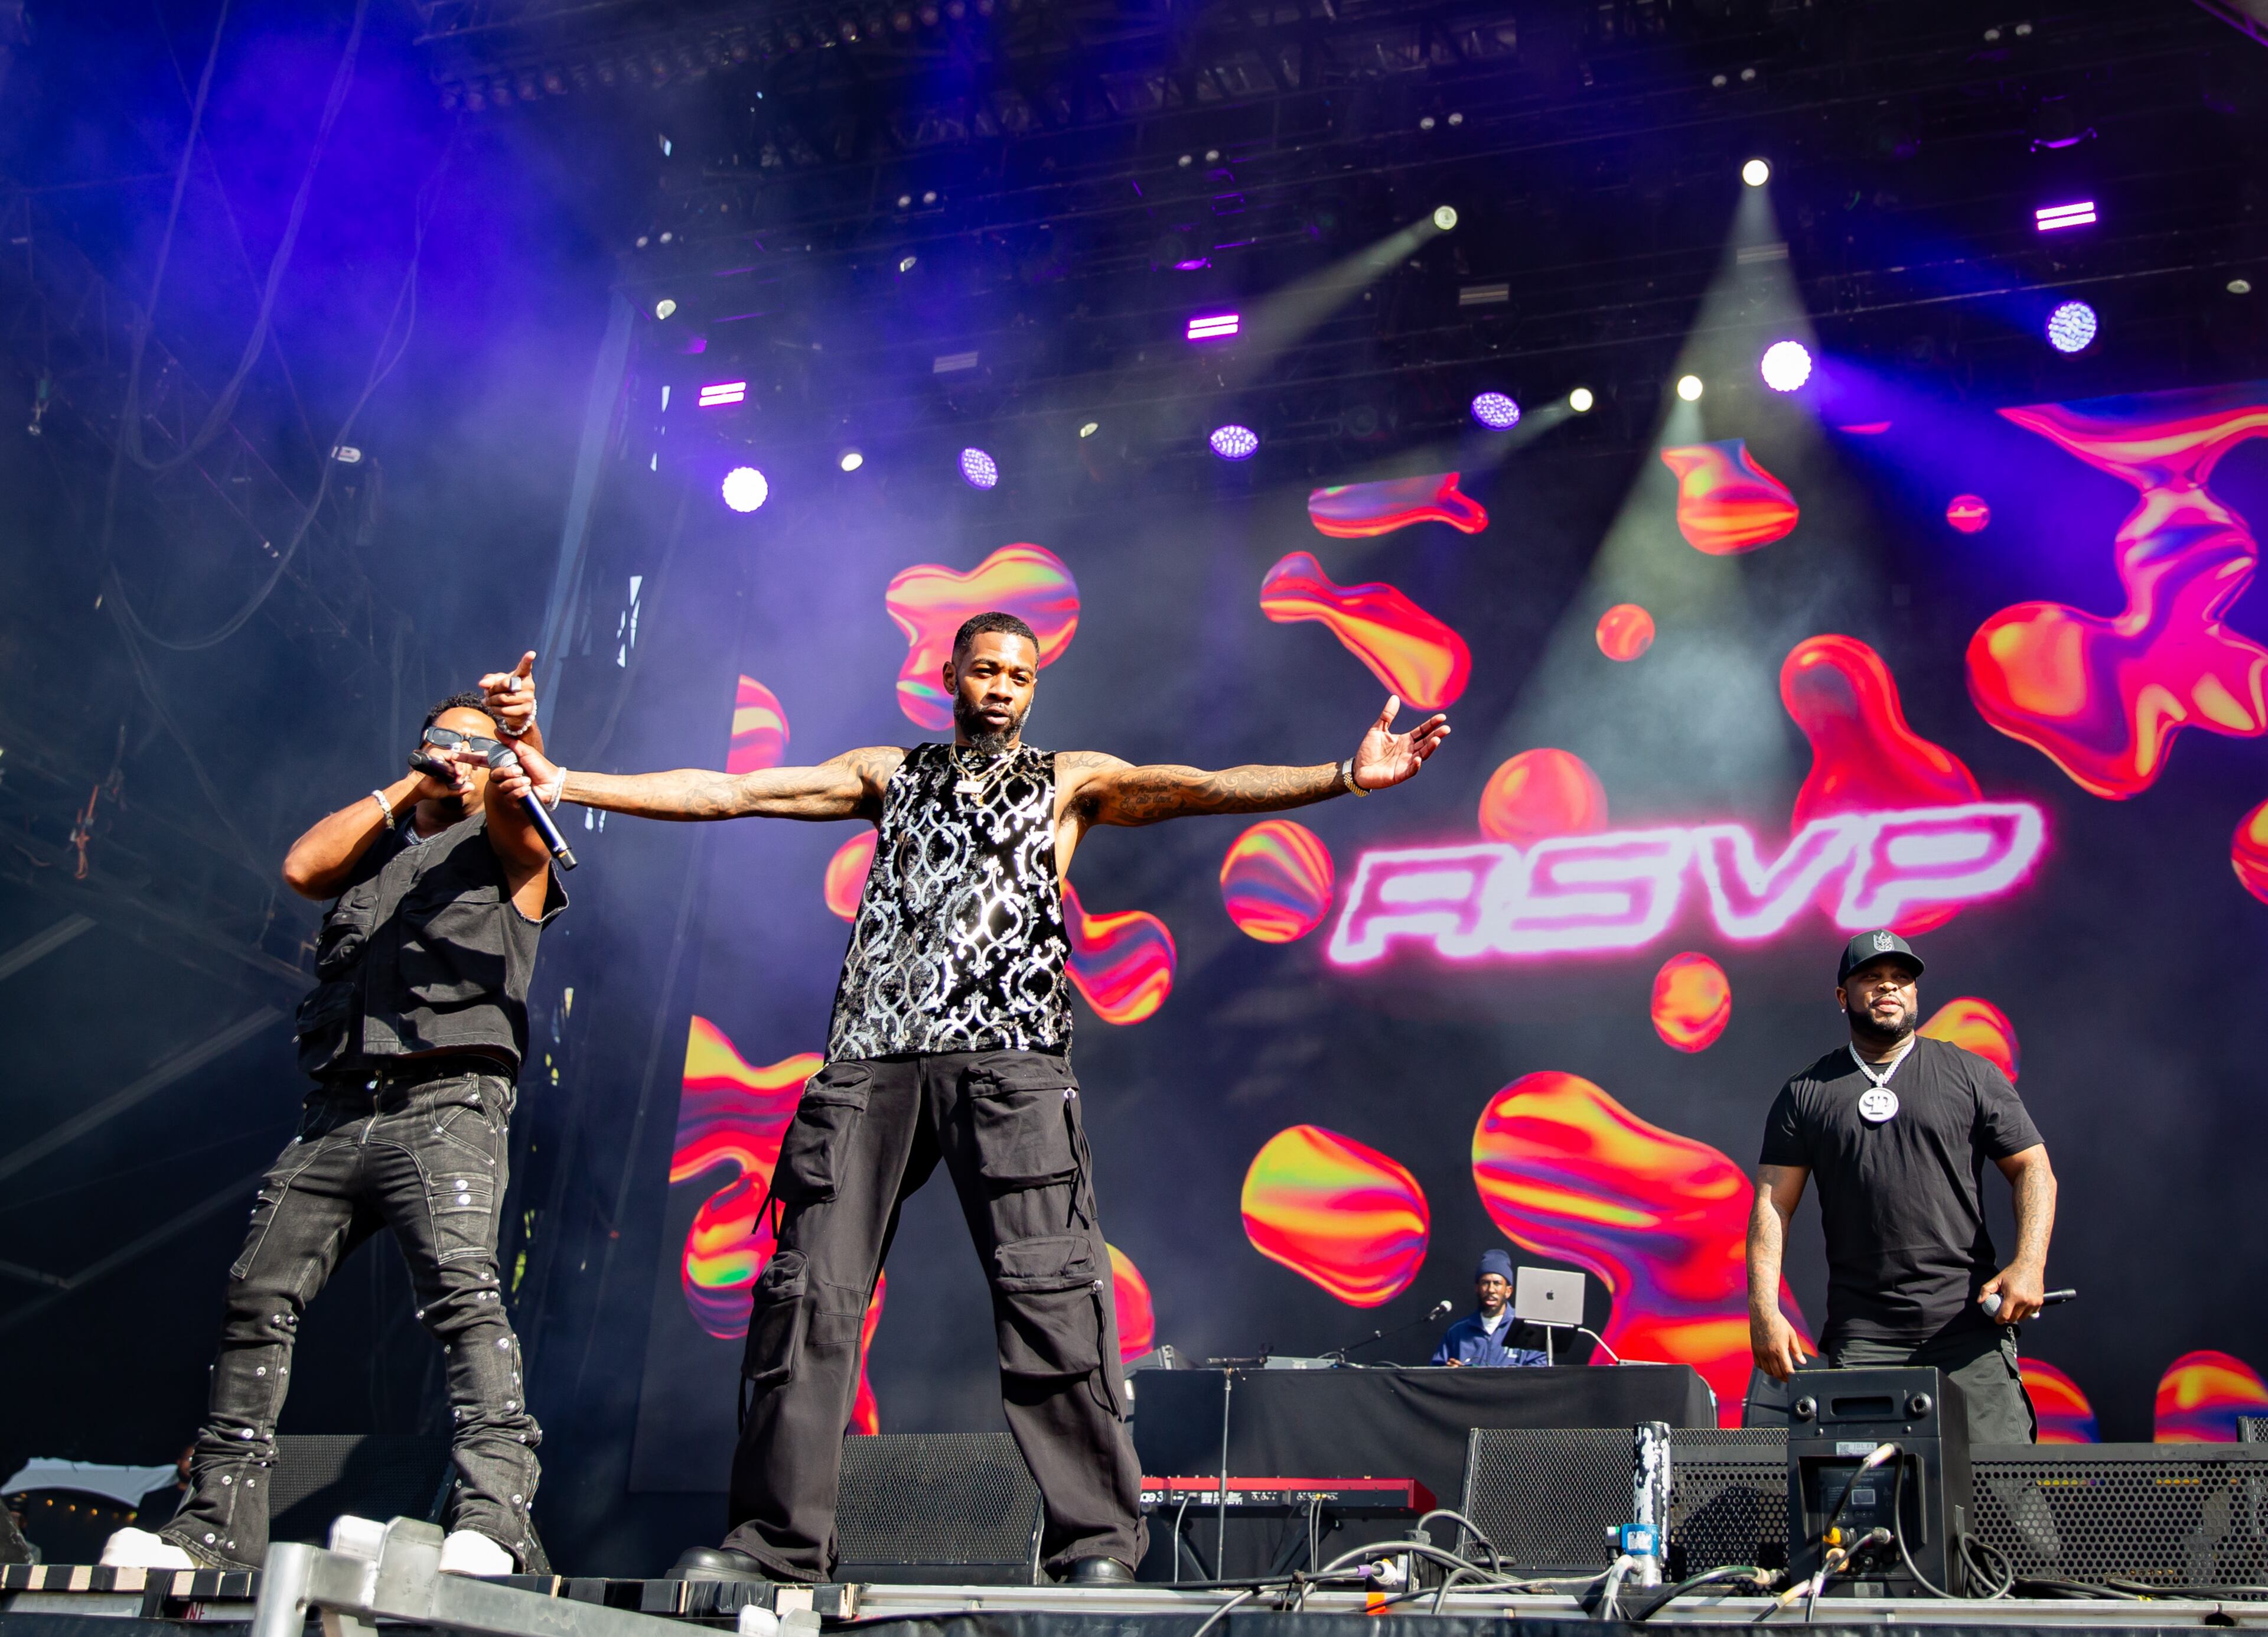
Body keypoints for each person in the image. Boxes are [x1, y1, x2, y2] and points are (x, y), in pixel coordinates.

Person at [493, 611, 1450, 1586]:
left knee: (1052, 1300)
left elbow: (1200, 788)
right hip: (872, 1063)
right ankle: (777, 1547)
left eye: (1018, 675)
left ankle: (1095, 1548)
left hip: (1012, 1067)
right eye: (985, 669)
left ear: (1036, 688)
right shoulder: (885, 772)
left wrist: (1341, 775)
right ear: (950, 673)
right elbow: (733, 790)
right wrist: (563, 781)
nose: (1000, 687)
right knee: (810, 1299)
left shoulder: (1068, 779)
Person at [103, 658, 566, 1577]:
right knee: (256, 1293)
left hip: (448, 1105)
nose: (462, 759)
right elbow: (302, 865)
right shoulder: (378, 852)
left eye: (480, 749)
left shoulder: (510, 845)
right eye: (448, 741)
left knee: (463, 1295)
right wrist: (413, 779)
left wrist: (516, 738)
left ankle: (495, 1519)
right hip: (337, 1111)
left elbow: (521, 798)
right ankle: (213, 1527)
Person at [1745, 930, 2055, 1445]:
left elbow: (2035, 1169)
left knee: (2009, 1508)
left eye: (1902, 979)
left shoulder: (1971, 1074)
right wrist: (1764, 1308)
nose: (1889, 987)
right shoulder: (1806, 1093)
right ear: (1844, 996)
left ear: (1914, 993)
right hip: (1863, 1338)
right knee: (1863, 1505)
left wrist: (2029, 1263)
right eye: (1872, 977)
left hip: (1968, 1333)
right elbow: (1773, 1202)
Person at [1431, 1251, 1547, 1367]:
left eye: (1497, 1283)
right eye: (1485, 1283)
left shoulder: (1528, 1329)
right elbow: (1435, 1376)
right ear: (1477, 1288)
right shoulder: (1457, 1332)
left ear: (1508, 1291)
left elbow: (1539, 1377)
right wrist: (1451, 1374)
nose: (1491, 1290)